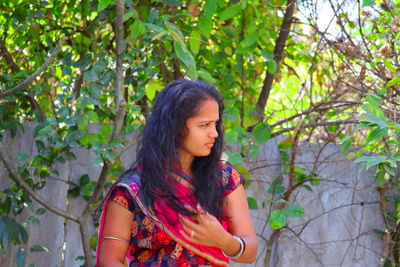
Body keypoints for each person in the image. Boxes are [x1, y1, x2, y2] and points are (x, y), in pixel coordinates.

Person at [96, 79, 258, 266]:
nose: (214, 133)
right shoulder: (132, 190)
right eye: (204, 125)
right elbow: (110, 260)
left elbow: (250, 252)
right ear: (174, 127)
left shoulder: (224, 179)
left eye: (215, 124)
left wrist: (224, 241)